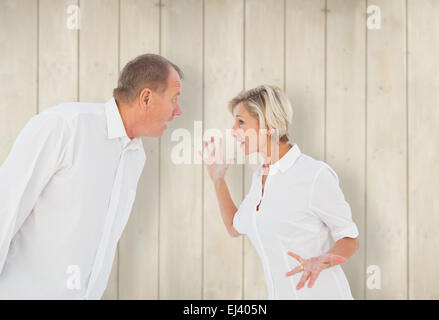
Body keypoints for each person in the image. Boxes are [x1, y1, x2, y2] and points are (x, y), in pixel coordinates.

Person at [0, 53, 183, 299]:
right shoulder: (65, 126)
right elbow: (6, 206)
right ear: (146, 97)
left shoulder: (135, 156)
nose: (178, 111)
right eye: (174, 99)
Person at [200, 84, 360, 299]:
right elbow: (234, 227)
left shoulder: (314, 174)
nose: (233, 130)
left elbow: (350, 238)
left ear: (267, 124)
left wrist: (324, 259)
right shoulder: (260, 178)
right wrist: (218, 180)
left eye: (241, 122)